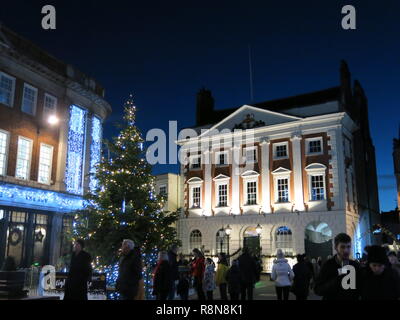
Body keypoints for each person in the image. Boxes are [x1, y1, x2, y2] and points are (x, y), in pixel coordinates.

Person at [314, 233, 360, 300]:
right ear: (336, 247)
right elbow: (317, 290)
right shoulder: (327, 265)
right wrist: (335, 281)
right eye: (342, 247)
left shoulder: (355, 265)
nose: (346, 250)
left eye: (348, 247)